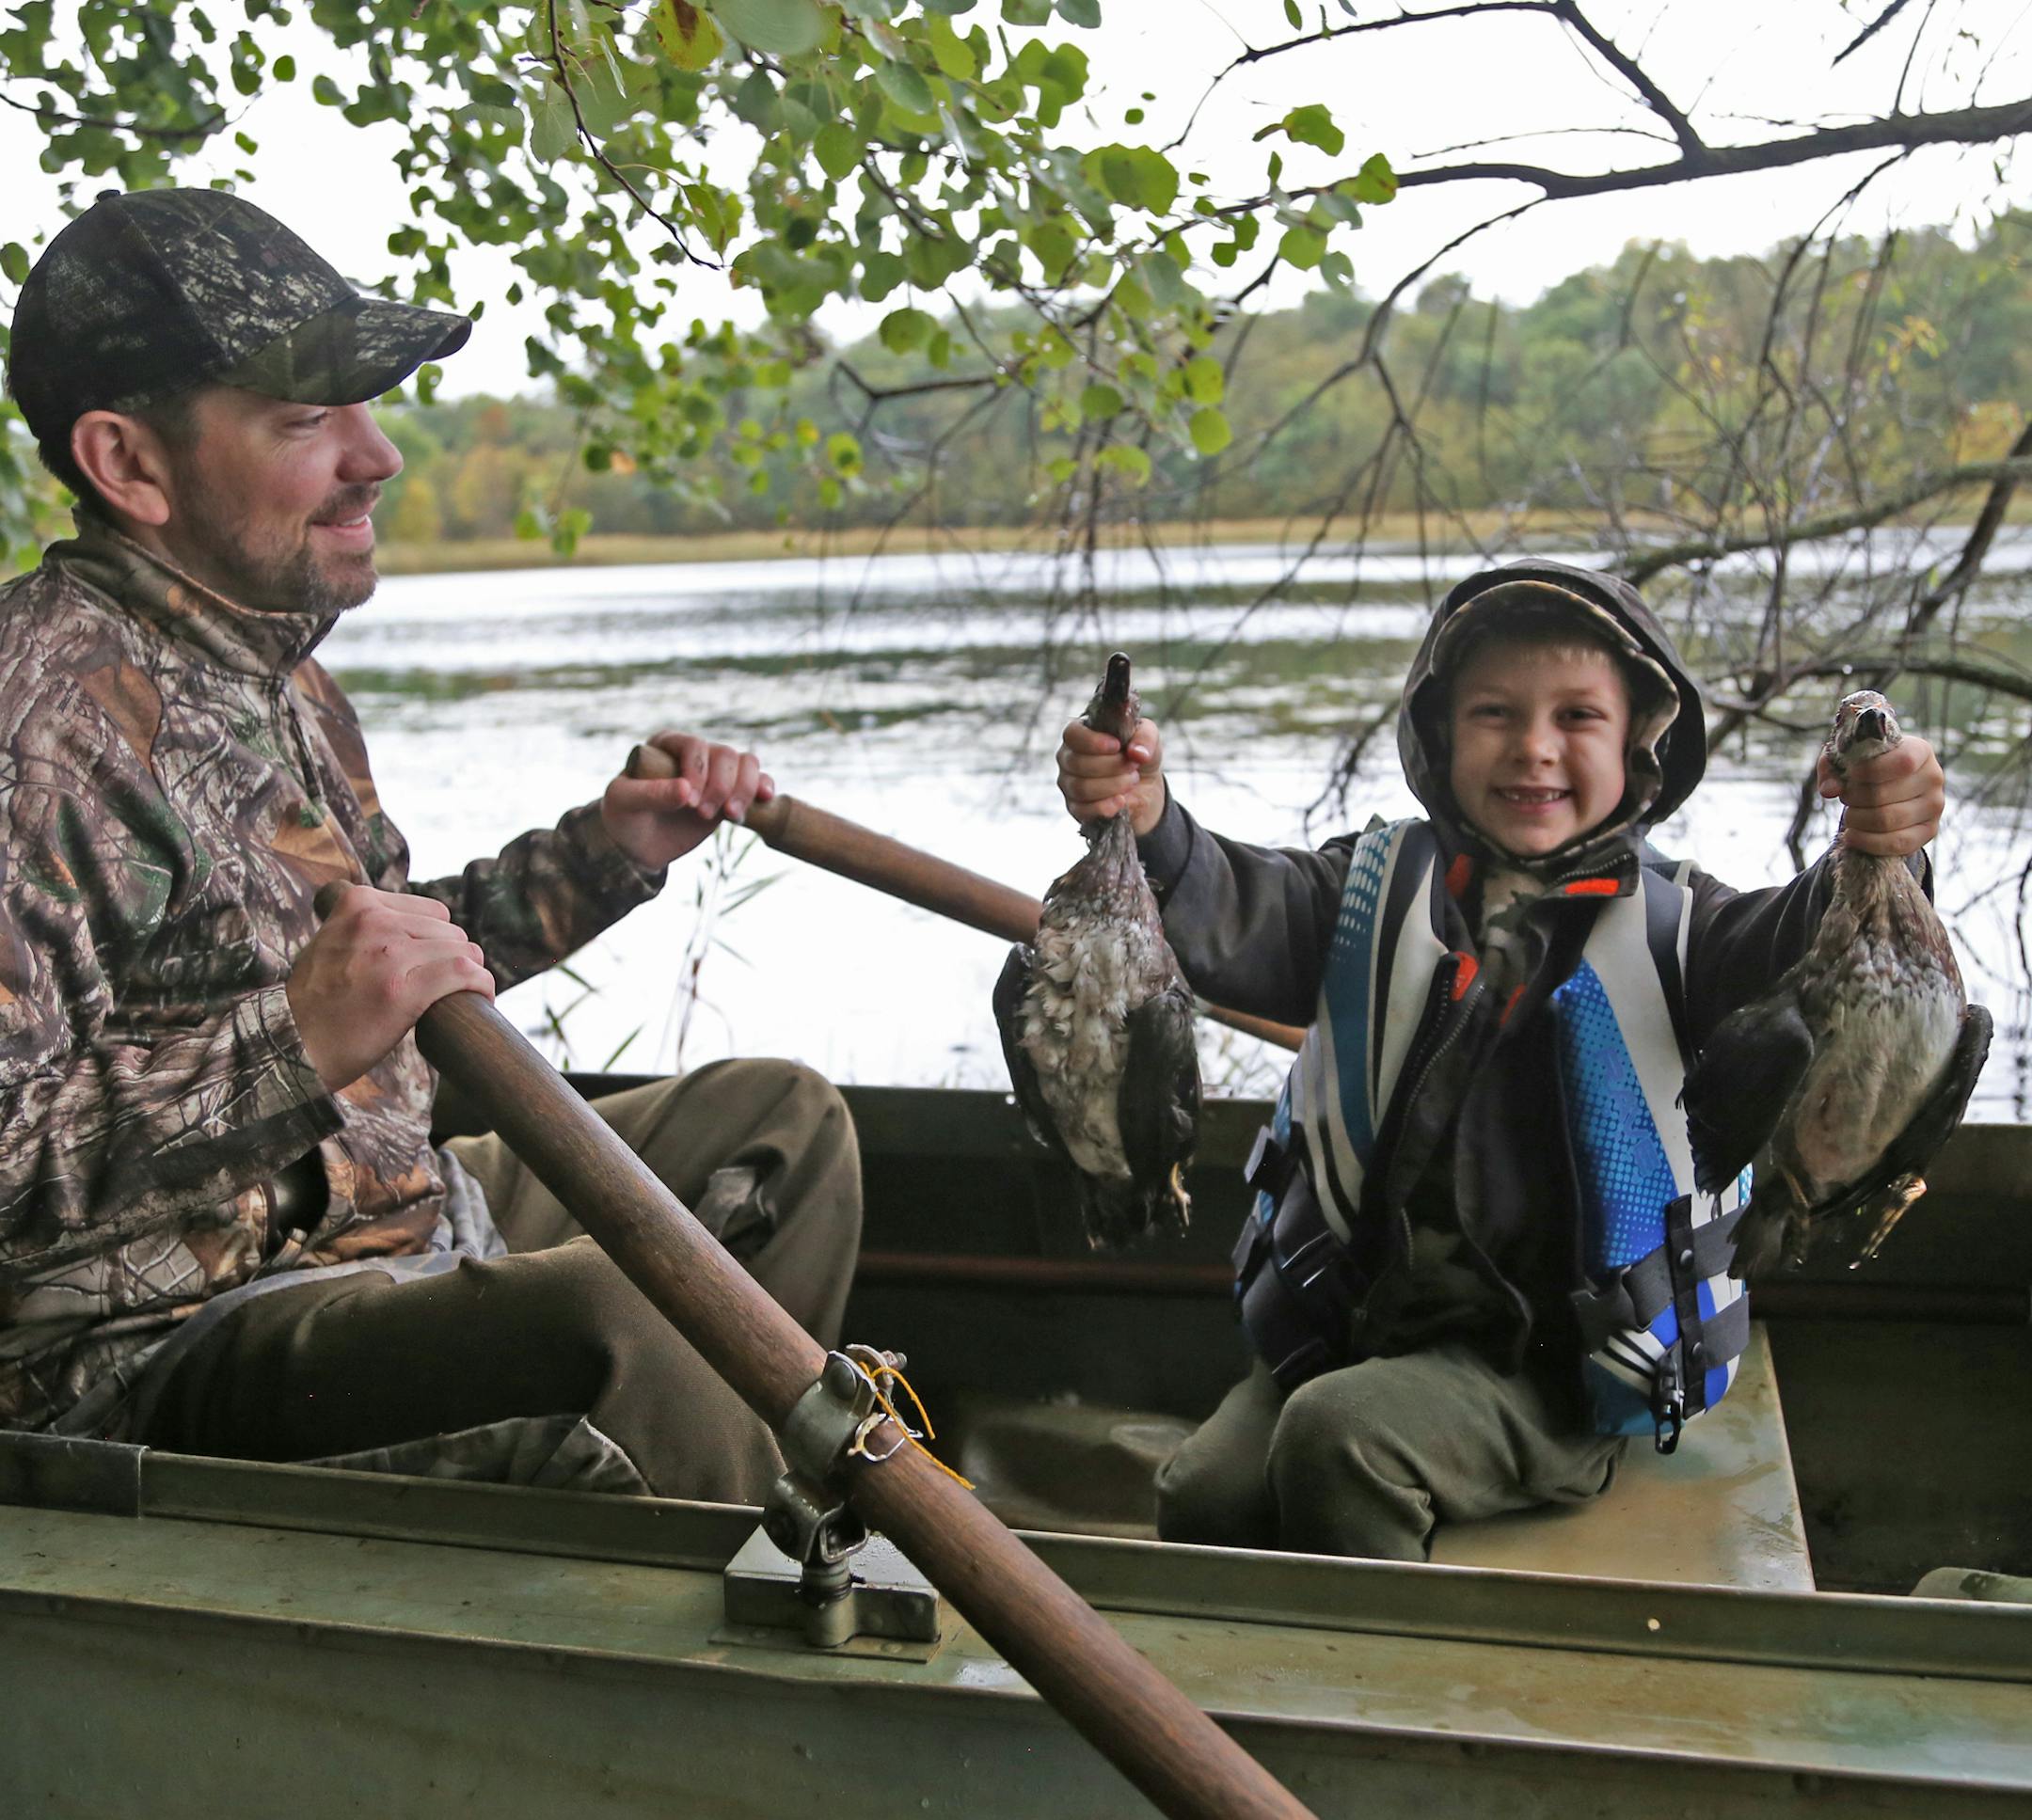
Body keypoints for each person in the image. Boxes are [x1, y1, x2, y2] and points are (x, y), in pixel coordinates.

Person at [0, 188, 861, 1501]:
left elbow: (376, 970)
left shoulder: (266, 662)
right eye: (309, 419)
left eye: (367, 405)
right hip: (162, 1341)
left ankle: (729, 1516)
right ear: (128, 464)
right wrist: (289, 1043)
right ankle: (725, 1644)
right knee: (641, 1323)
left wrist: (599, 855)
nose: (380, 453)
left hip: (384, 1208)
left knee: (784, 1125)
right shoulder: (35, 729)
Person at [1056, 563, 1945, 1559]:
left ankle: (1384, 1695)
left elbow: (1812, 945)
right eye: (1493, 713)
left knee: (1338, 1440)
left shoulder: (1694, 932)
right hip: (1357, 1329)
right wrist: (1147, 822)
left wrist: (1880, 848)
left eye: (1578, 718)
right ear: (1438, 737)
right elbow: (1231, 906)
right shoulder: (1369, 883)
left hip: (1558, 1375)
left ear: (1641, 745)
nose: (1534, 748)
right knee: (1205, 1497)